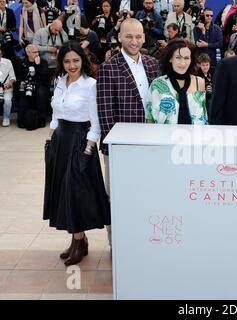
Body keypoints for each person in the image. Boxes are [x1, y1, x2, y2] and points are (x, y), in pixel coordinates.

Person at [43, 40, 110, 266]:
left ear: (83, 60)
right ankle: (78, 240)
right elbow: (55, 114)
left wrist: (88, 150)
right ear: (62, 63)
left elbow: (96, 121)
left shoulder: (91, 85)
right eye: (67, 61)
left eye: (76, 60)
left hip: (80, 142)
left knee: (75, 193)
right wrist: (50, 141)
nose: (72, 65)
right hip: (60, 141)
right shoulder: (59, 81)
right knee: (63, 192)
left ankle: (79, 242)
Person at [97, 18, 160, 246]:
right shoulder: (108, 68)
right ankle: (117, 243)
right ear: (120, 37)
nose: (134, 41)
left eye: (138, 36)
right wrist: (113, 148)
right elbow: (105, 113)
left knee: (145, 195)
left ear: (144, 37)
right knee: (117, 198)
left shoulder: (153, 64)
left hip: (150, 146)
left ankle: (143, 240)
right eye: (129, 36)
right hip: (120, 149)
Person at [146, 38, 207, 124]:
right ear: (170, 58)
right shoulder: (157, 84)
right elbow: (150, 118)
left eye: (186, 58)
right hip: (164, 136)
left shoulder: (199, 82)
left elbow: (203, 116)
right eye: (178, 57)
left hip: (194, 136)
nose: (183, 63)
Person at [17, 44, 51, 129]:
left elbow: (45, 78)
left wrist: (38, 65)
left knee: (40, 94)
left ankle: (41, 119)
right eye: (34, 52)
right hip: (27, 85)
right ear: (28, 53)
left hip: (40, 85)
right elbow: (18, 77)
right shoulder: (22, 62)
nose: (37, 54)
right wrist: (21, 82)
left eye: (37, 52)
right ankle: (21, 120)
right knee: (23, 94)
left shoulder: (43, 62)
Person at [0, 45, 15, 127]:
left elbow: (13, 77)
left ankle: (6, 118)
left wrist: (10, 83)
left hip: (6, 89)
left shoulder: (7, 62)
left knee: (7, 100)